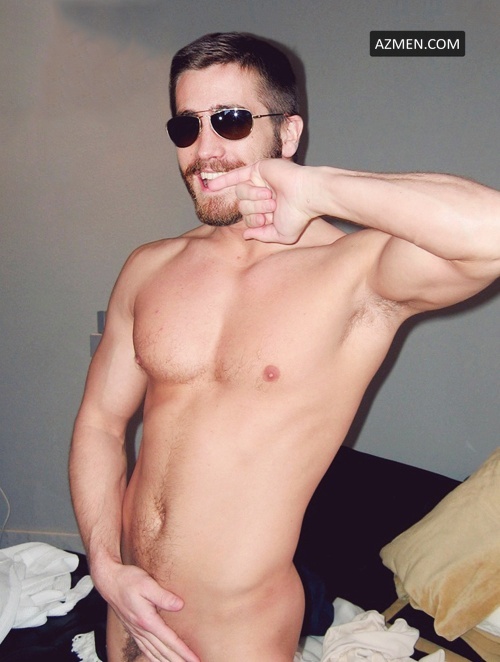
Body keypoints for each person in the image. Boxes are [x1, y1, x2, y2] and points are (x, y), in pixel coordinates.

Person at [69, 31, 500, 662]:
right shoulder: (149, 268)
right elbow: (101, 425)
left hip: (236, 632)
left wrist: (317, 189)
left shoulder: (353, 272)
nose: (205, 150)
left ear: (288, 133)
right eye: (187, 126)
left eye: (231, 120)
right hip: (128, 610)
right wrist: (106, 567)